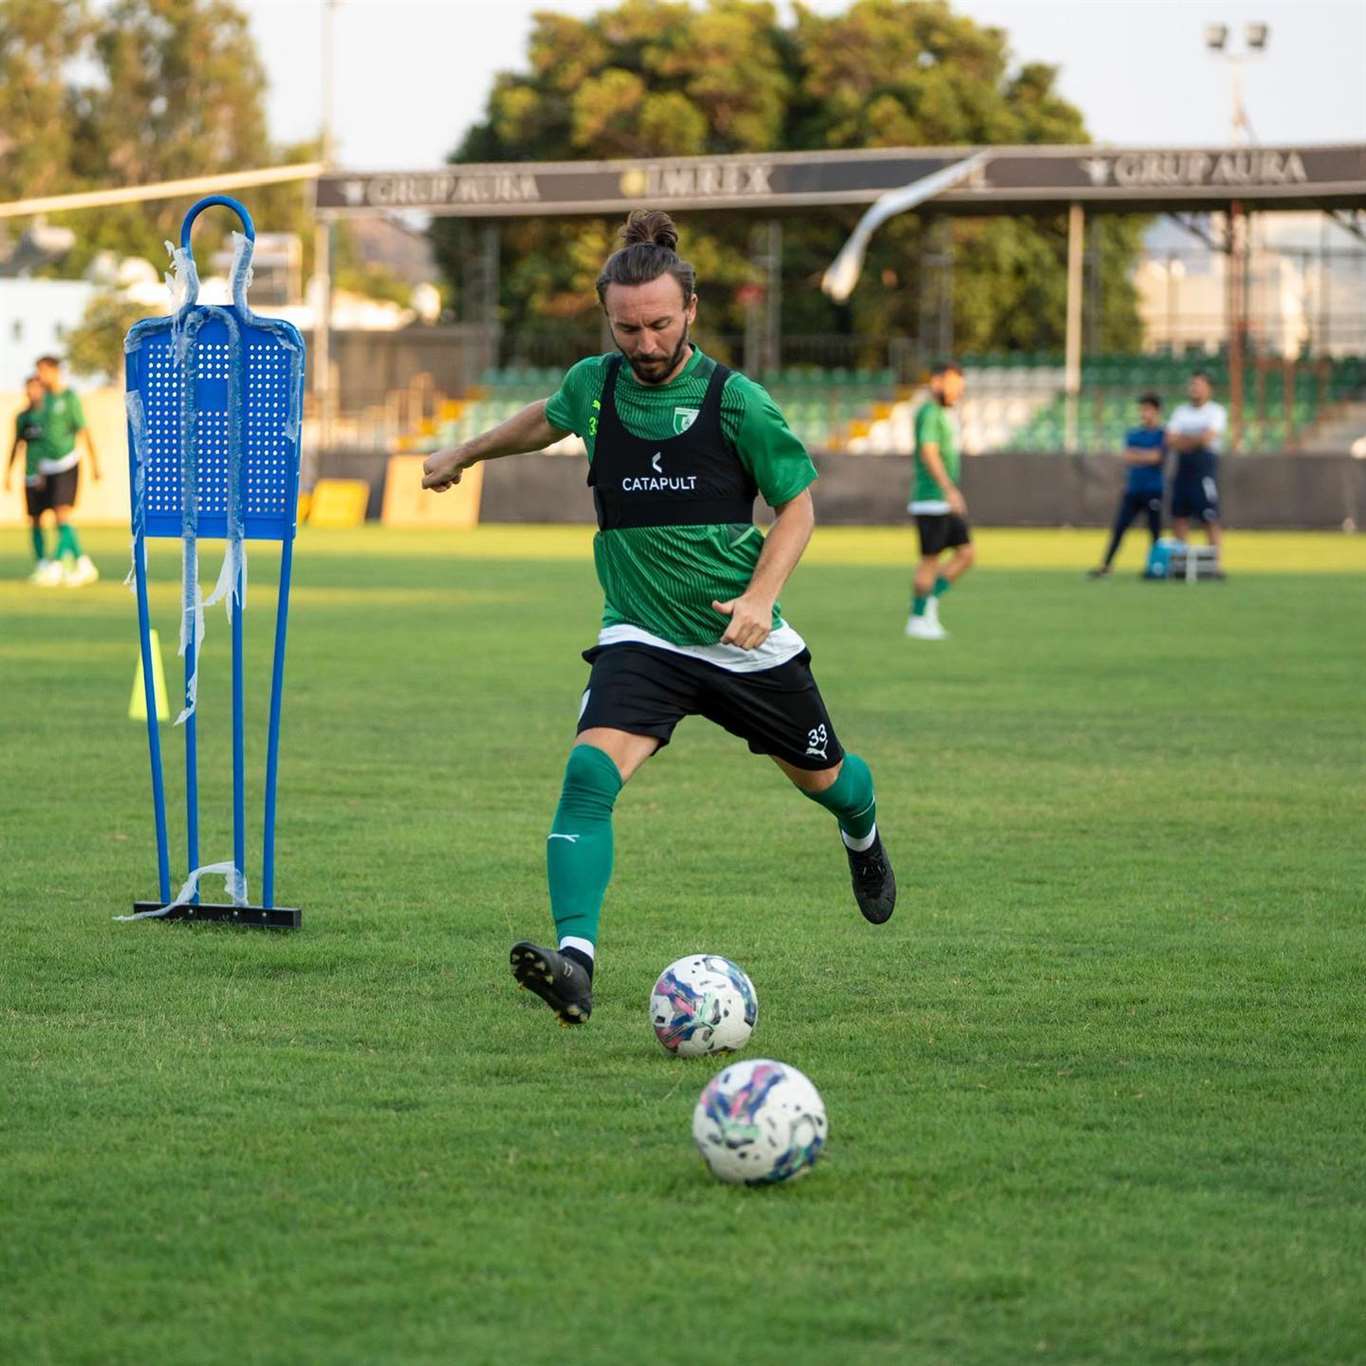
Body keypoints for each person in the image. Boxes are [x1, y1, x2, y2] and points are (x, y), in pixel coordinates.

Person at [421, 209, 895, 1027]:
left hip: (741, 641)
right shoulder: (594, 385)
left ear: (692, 313)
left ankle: (863, 835)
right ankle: (576, 964)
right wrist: (465, 452)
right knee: (587, 777)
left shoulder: (736, 401)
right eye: (627, 327)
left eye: (659, 325)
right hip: (641, 635)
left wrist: (757, 599)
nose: (643, 343)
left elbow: (798, 509)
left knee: (830, 782)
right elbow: (546, 418)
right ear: (610, 317)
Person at [906, 361, 973, 640]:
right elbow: (929, 452)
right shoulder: (930, 412)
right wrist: (948, 488)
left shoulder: (943, 413)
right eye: (953, 384)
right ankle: (918, 618)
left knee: (966, 553)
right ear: (936, 382)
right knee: (930, 561)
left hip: (941, 499)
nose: (957, 391)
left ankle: (929, 604)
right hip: (931, 499)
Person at [34, 354, 100, 586]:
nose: (39, 376)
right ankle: (82, 562)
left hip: (67, 463)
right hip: (49, 466)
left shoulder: (69, 397)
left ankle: (55, 563)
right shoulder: (44, 401)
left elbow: (84, 430)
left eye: (42, 371)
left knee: (62, 513)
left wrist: (95, 464)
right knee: (59, 517)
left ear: (54, 371)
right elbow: (44, 438)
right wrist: (40, 469)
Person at [1088, 392, 1166, 578]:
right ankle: (1106, 566)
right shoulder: (1134, 433)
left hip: (1153, 489)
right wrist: (1146, 456)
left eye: (1148, 409)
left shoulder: (1163, 434)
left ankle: (1155, 568)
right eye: (1142, 409)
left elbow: (1157, 457)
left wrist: (1142, 456)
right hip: (1133, 489)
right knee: (1119, 528)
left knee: (1154, 532)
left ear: (1157, 411)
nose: (1144, 413)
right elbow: (1129, 456)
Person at [1165, 370, 1226, 572]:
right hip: (1183, 470)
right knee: (1179, 517)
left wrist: (1185, 440)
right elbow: (1171, 440)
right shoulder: (1180, 411)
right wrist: (1195, 440)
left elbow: (1208, 438)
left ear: (1209, 389)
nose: (1195, 389)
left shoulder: (1215, 411)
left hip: (1204, 470)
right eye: (1192, 385)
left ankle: (1214, 565)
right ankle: (1181, 565)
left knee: (1209, 517)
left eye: (1199, 385)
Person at [5, 375, 62, 584]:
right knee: (35, 520)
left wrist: (44, 471)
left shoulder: (50, 416)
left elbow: (52, 446)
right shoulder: (23, 417)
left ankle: (59, 561)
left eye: (36, 389)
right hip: (29, 476)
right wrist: (8, 473)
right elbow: (16, 444)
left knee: (61, 516)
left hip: (51, 474)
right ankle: (41, 563)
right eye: (29, 388)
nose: (32, 392)